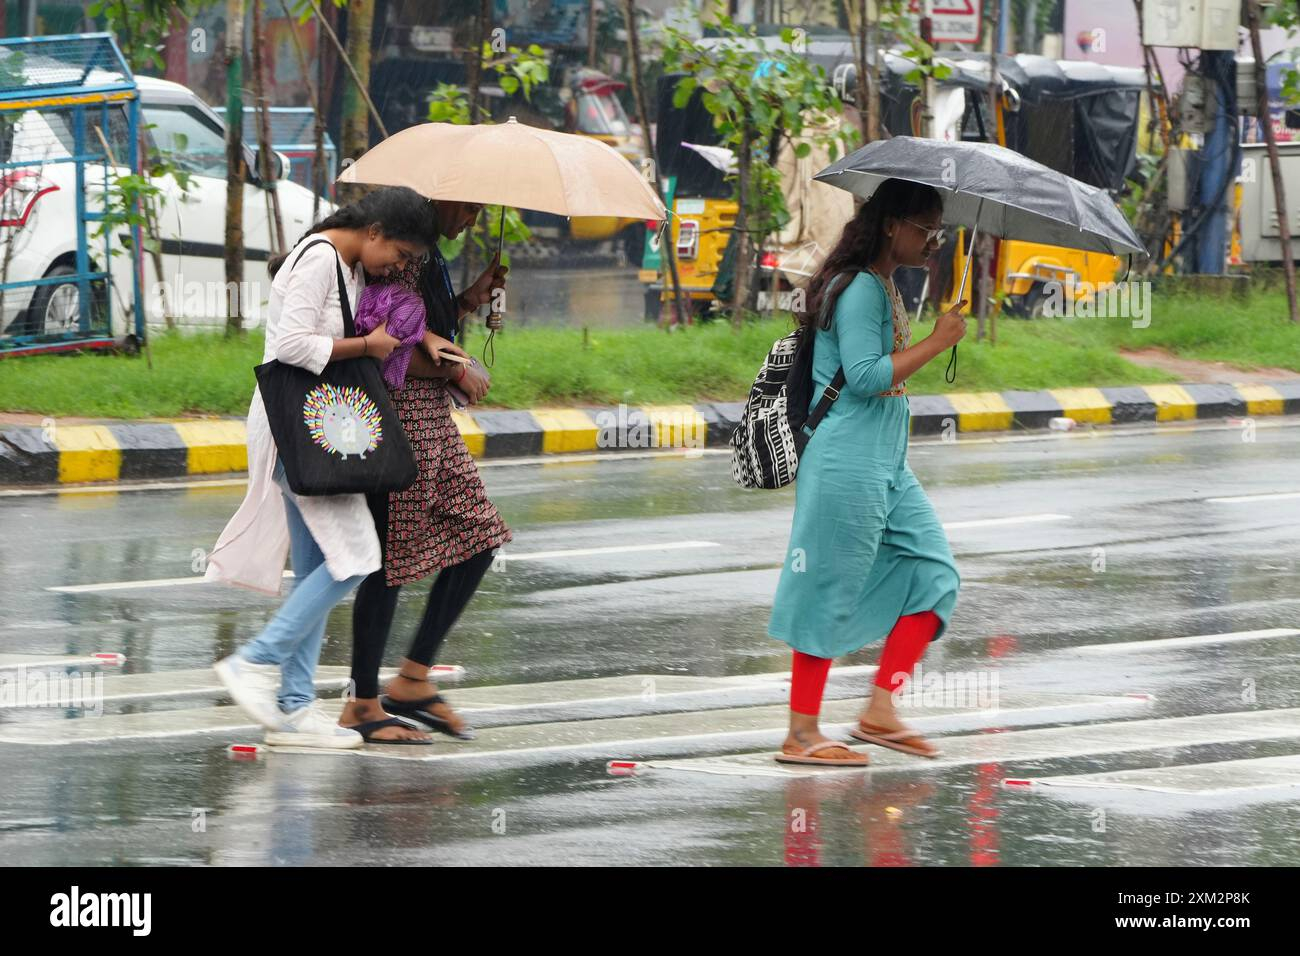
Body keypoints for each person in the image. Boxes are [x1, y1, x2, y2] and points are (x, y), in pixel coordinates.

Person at [206, 186, 458, 749]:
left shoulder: (345, 264)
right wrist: (367, 345)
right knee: (359, 558)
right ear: (373, 233)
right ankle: (255, 659)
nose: (399, 266)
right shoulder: (319, 258)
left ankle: (294, 710)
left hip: (320, 427)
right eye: (398, 253)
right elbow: (291, 345)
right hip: (298, 428)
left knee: (319, 564)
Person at [768, 178, 966, 766]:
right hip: (848, 458)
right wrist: (937, 342)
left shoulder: (882, 286)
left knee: (935, 573)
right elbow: (866, 377)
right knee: (829, 586)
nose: (934, 241)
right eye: (925, 229)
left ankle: (880, 710)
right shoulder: (859, 290)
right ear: (890, 225)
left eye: (939, 230)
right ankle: (801, 733)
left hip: (886, 460)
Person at [338, 200, 512, 743]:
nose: (473, 222)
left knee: (479, 535)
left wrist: (469, 299)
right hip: (398, 416)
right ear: (444, 200)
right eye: (470, 210)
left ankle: (413, 679)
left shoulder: (428, 255)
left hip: (431, 418)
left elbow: (423, 328)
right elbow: (383, 341)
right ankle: (364, 700)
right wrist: (457, 368)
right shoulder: (402, 251)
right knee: (388, 559)